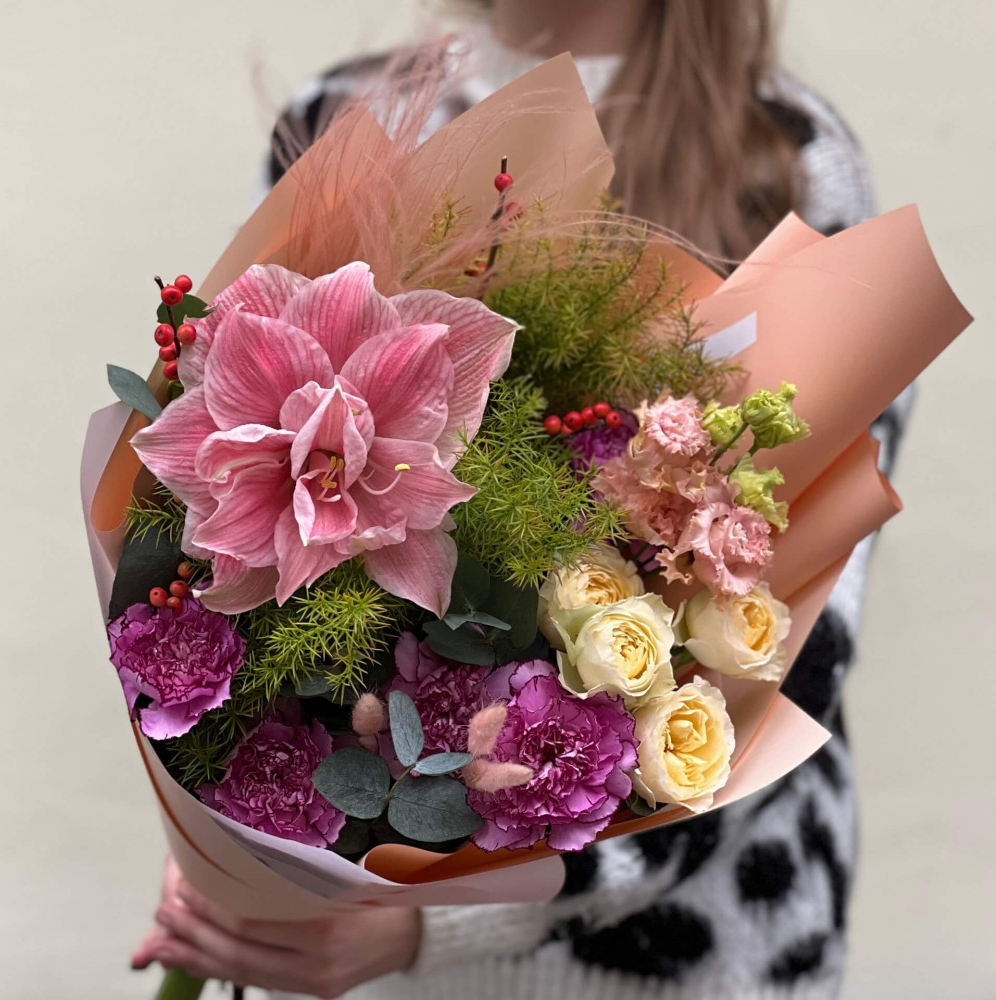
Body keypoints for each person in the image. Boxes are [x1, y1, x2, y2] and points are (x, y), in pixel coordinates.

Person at [132, 2, 912, 996]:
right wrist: (233, 838)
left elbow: (795, 656)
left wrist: (441, 923)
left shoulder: (787, 163)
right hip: (364, 944)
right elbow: (231, 499)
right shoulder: (348, 120)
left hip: (691, 948)